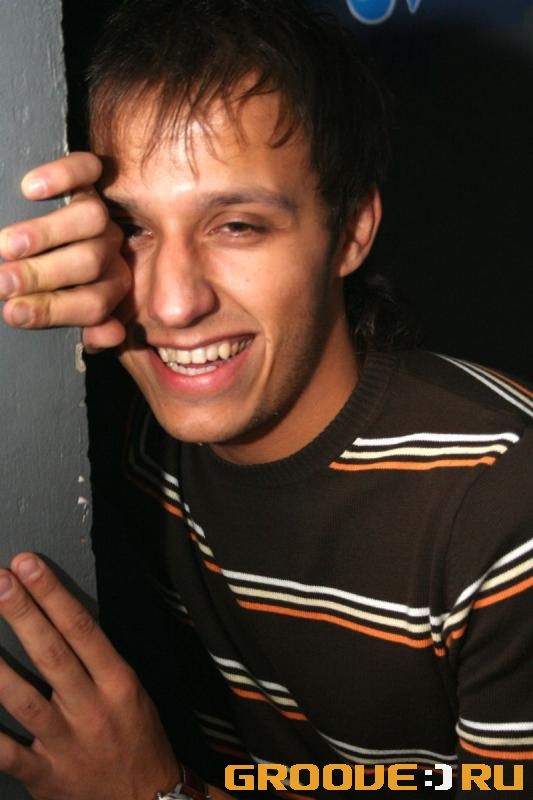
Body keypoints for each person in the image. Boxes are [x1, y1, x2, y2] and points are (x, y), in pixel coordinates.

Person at [0, 1, 531, 797]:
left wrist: (156, 793)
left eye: (237, 226)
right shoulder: (127, 445)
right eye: (133, 228)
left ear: (350, 231)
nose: (173, 303)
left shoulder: (499, 504)